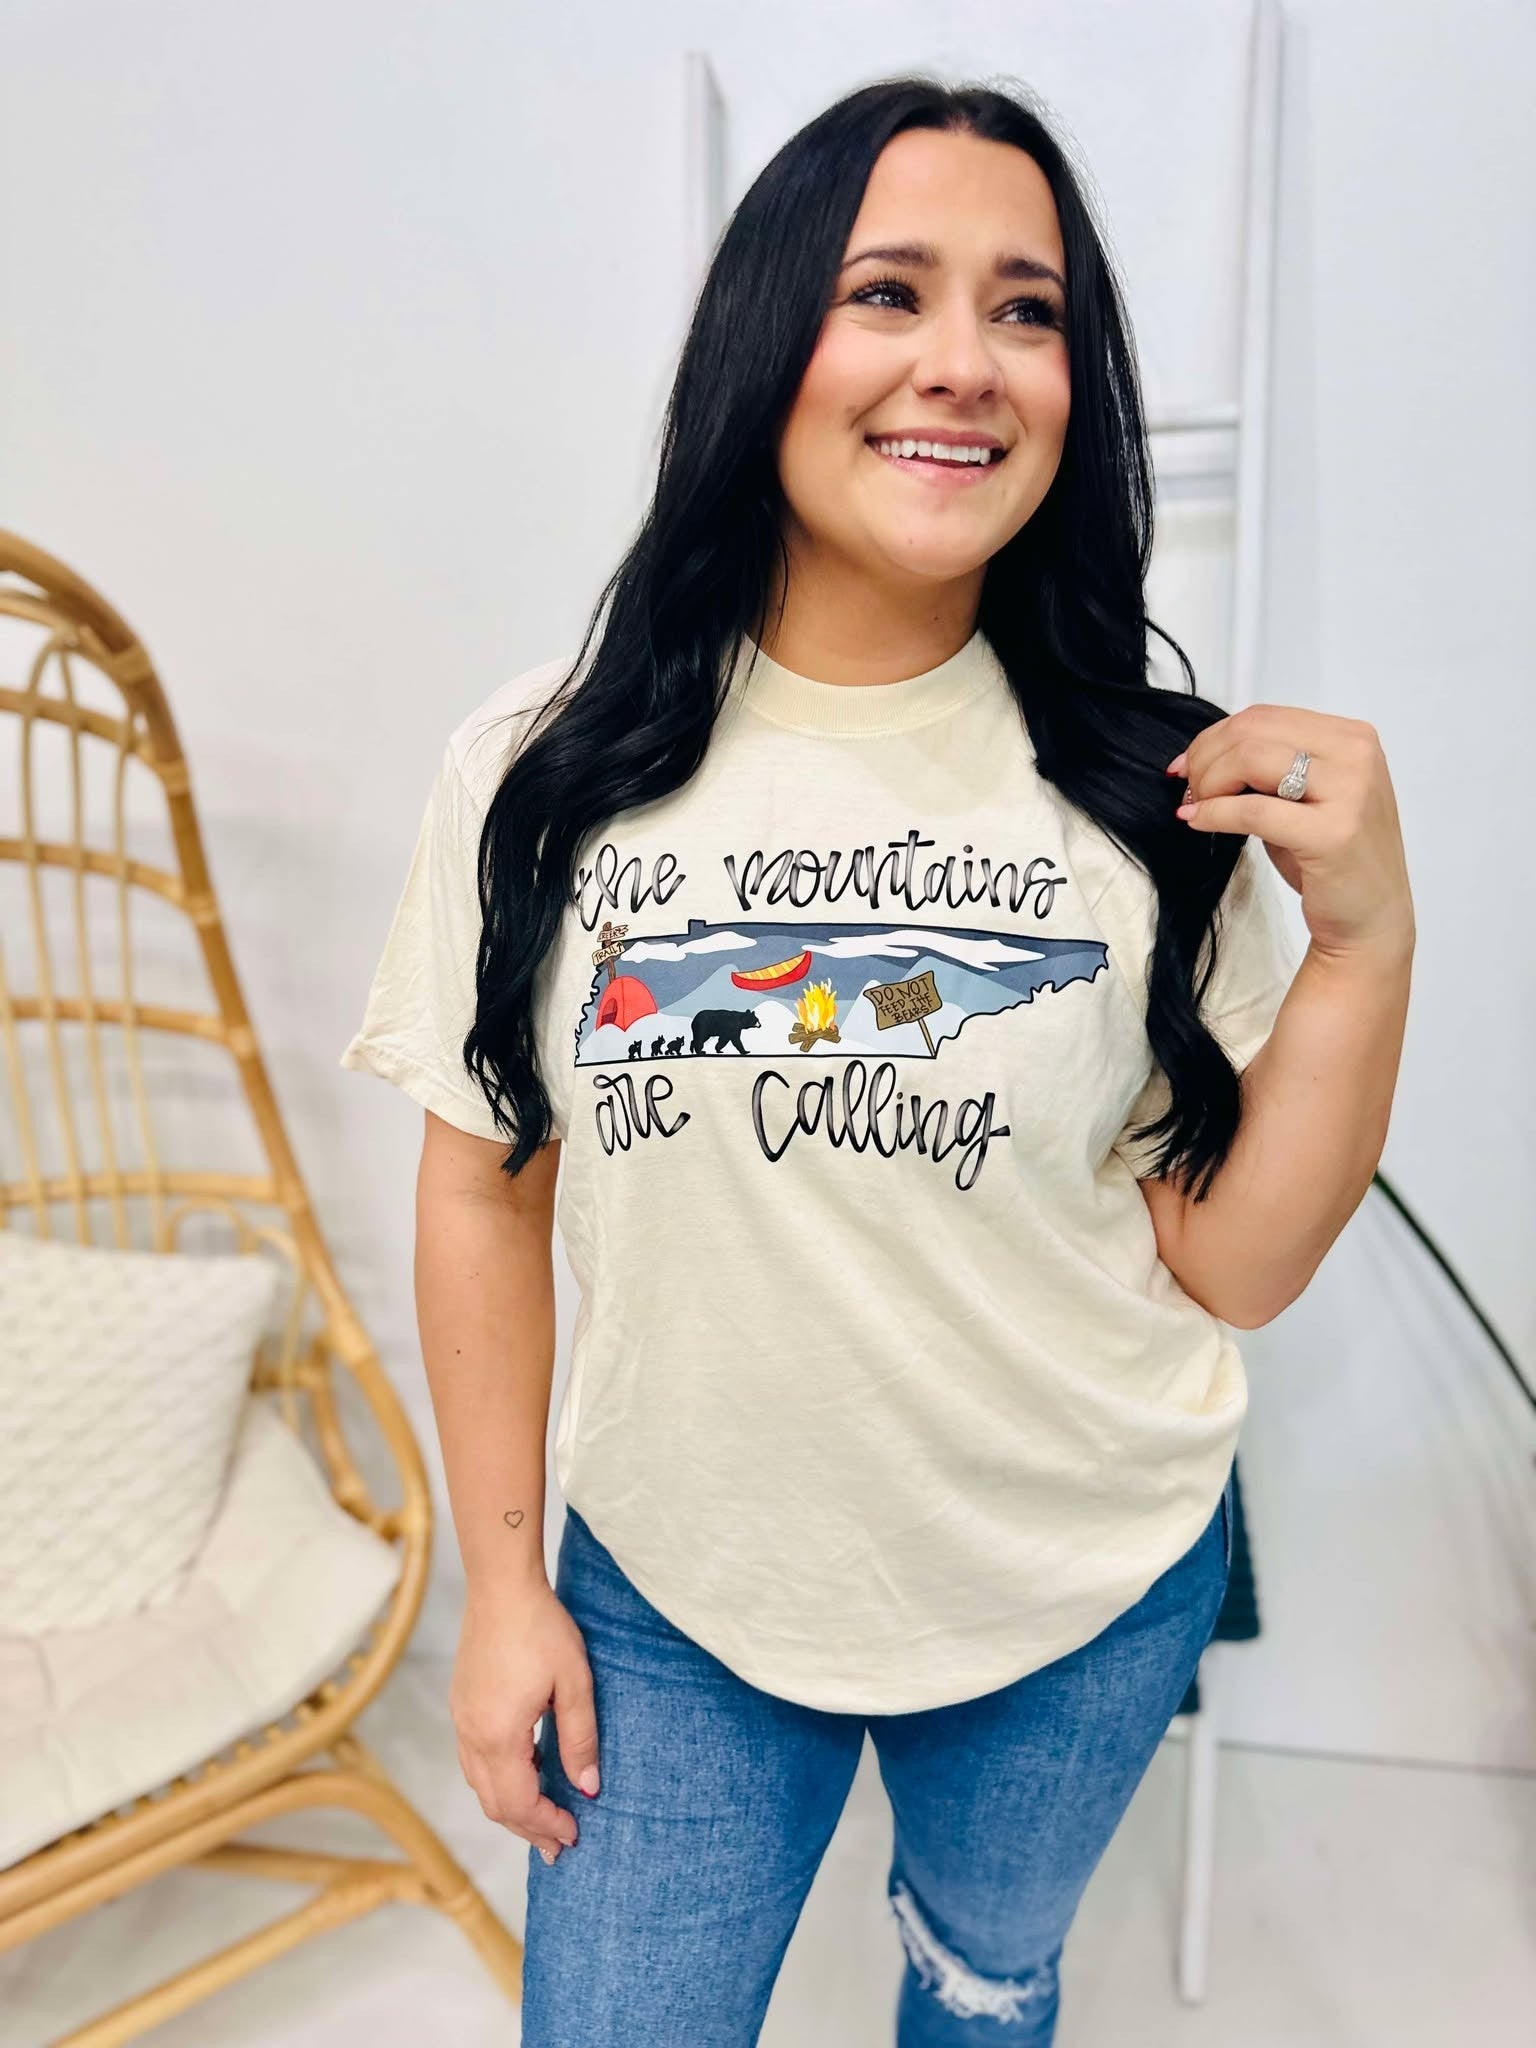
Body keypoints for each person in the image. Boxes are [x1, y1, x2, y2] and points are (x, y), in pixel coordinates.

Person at [340, 74, 1414, 2048]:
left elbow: (1239, 1263)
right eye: (889, 291)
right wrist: (503, 1593)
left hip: (1078, 1587)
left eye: (1028, 310)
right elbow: (485, 1191)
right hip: (676, 1592)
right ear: (770, 338)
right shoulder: (545, 768)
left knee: (984, 1983)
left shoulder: (1154, 789)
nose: (965, 362)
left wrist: (1365, 944)